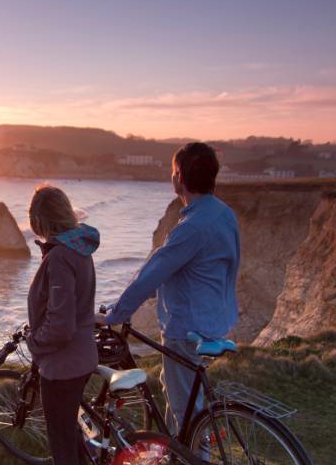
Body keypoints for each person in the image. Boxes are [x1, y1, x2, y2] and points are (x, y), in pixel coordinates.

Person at [100, 142, 239, 434]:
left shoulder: (192, 227)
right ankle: (179, 454)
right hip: (216, 317)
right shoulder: (224, 214)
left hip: (187, 327)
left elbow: (151, 273)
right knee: (179, 389)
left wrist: (115, 314)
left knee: (185, 408)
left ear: (179, 177)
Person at [17, 184, 101, 465]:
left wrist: (36, 342)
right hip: (81, 359)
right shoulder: (80, 248)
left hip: (62, 365)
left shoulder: (60, 258)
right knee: (71, 436)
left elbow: (62, 325)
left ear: (40, 220)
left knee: (62, 447)